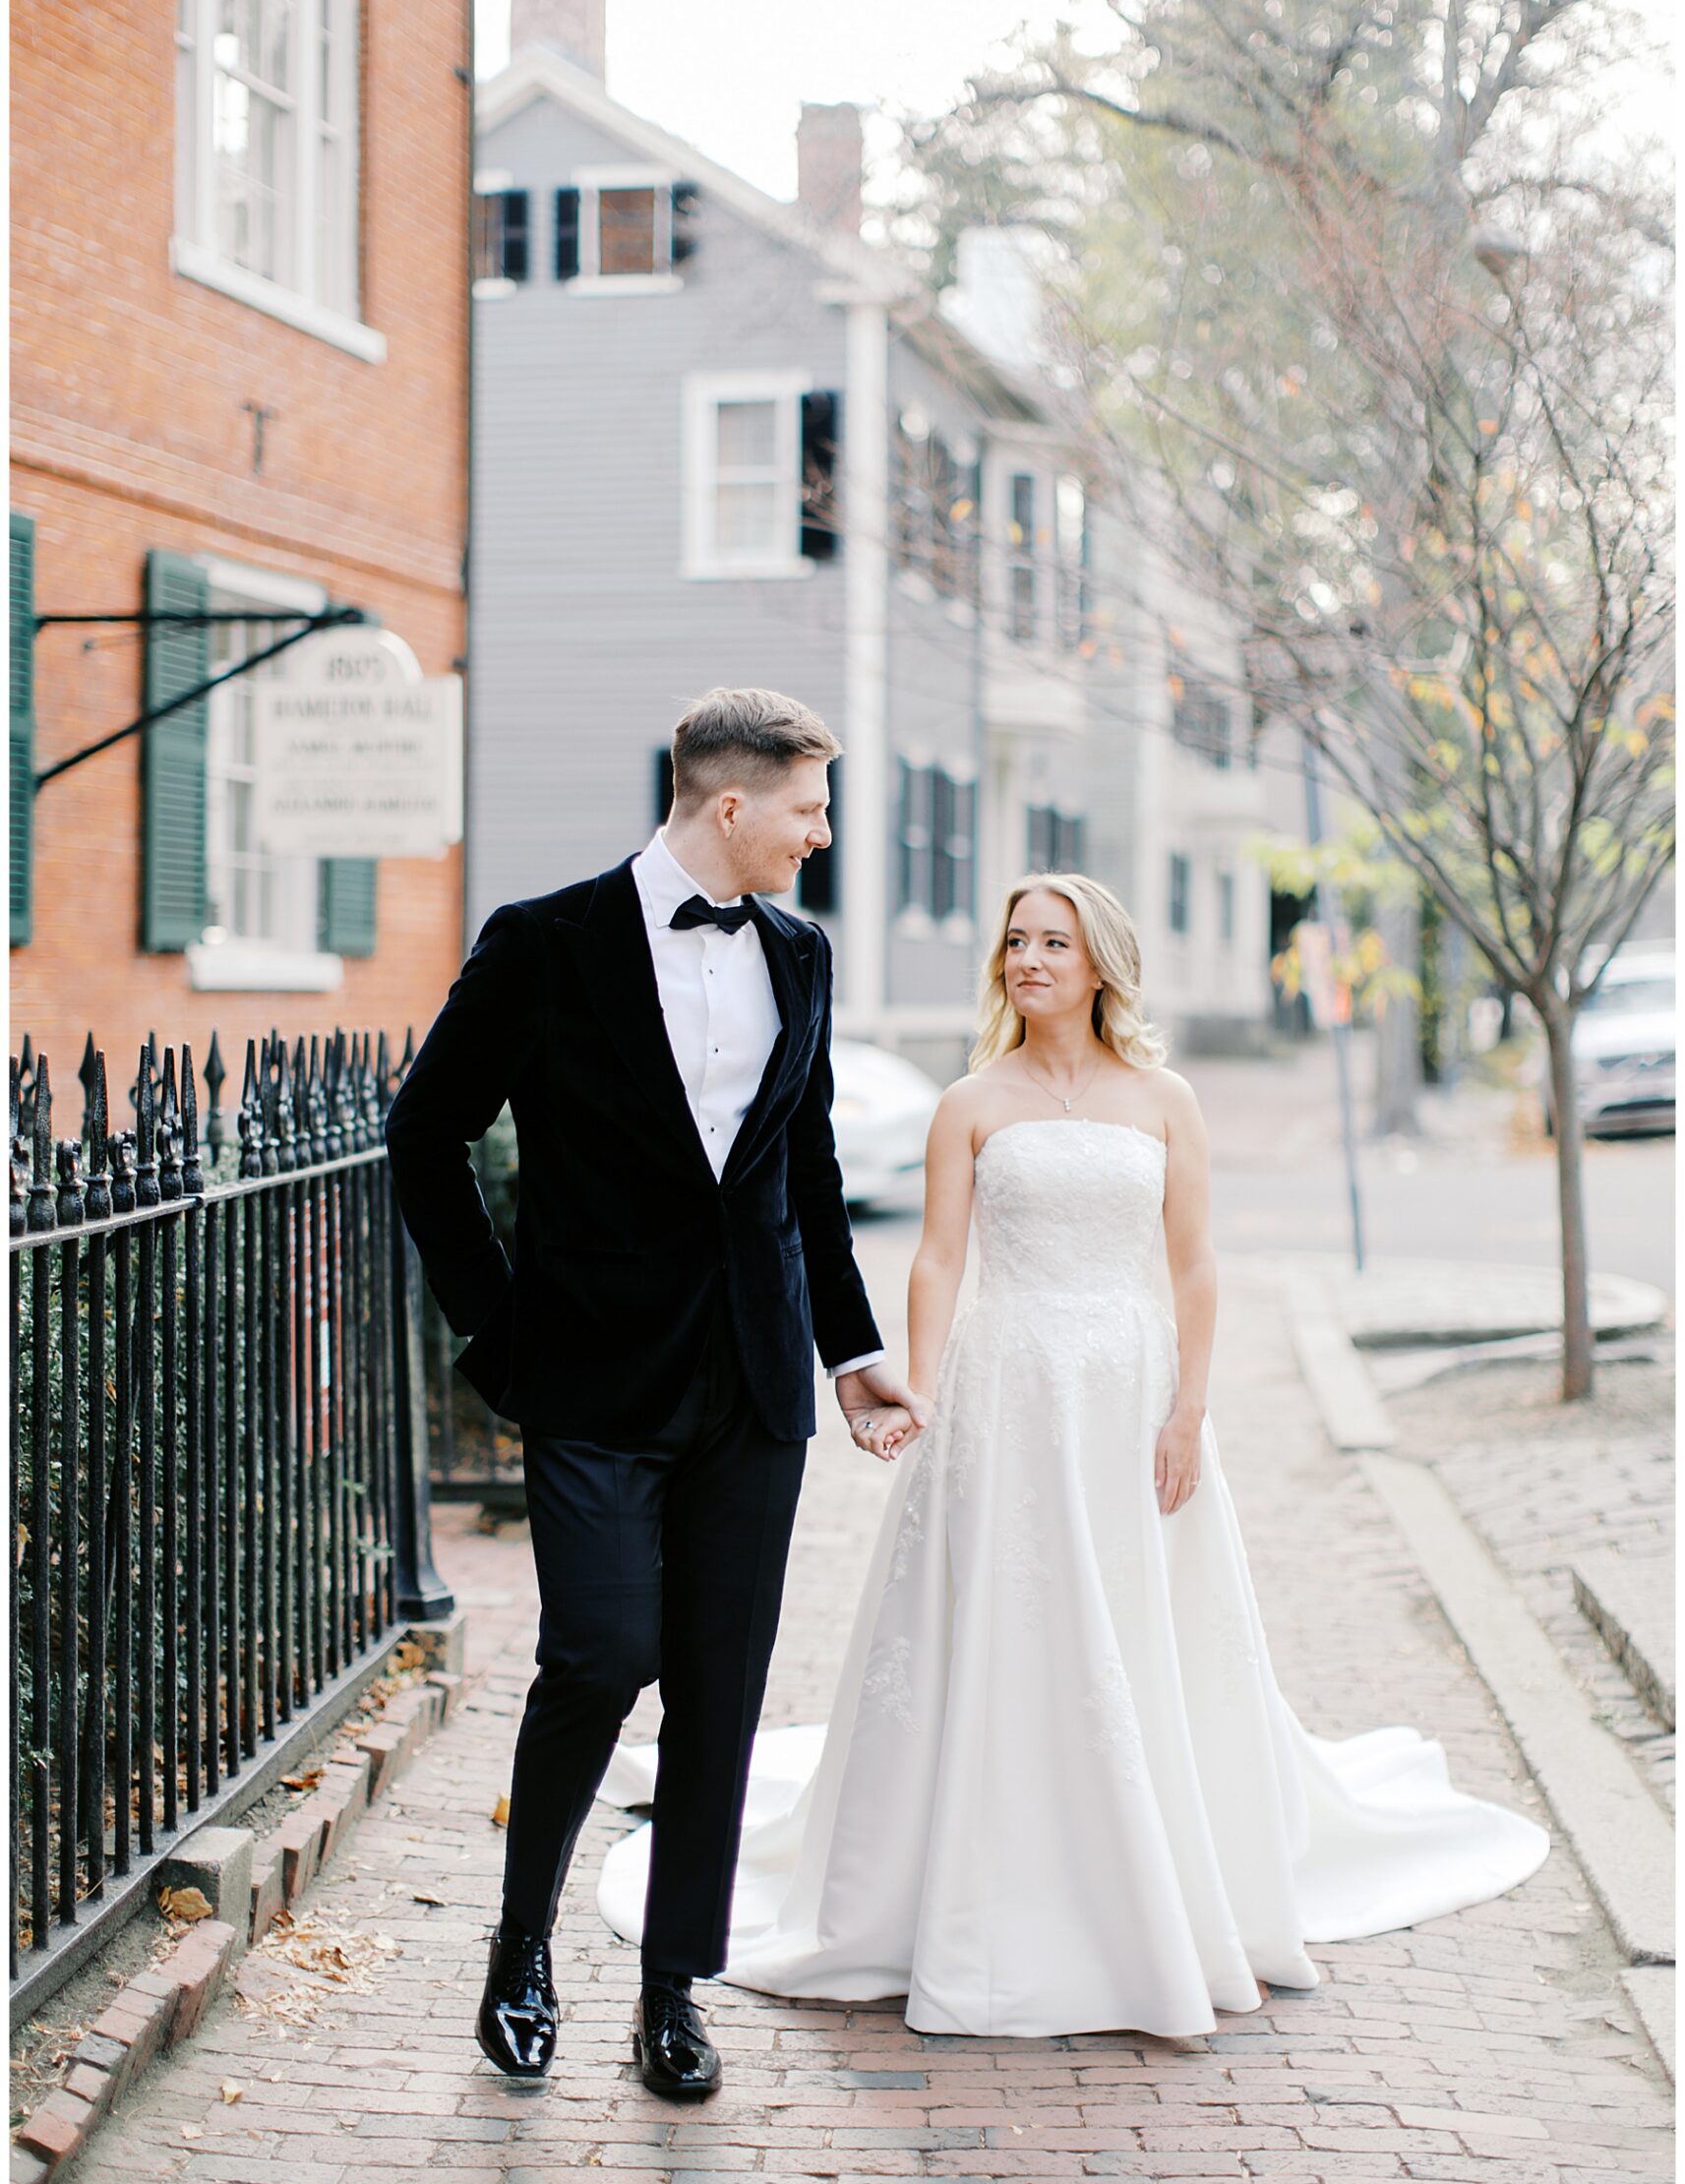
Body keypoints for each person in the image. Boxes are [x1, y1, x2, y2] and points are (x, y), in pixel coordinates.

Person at [595, 873, 1550, 2037]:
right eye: (1015, 941)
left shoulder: (1165, 1097)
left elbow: (1194, 1263)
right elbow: (939, 1259)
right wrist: (926, 1390)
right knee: (1008, 1621)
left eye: (1054, 941)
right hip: (1005, 1390)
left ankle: (1150, 1865)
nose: (1030, 959)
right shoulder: (970, 1102)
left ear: (1100, 961)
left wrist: (1189, 1409)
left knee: (1135, 1625)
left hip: (1129, 1390)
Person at [384, 687, 924, 2096]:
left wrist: (854, 1361)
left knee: (722, 1694)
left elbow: (804, 1179)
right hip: (590, 1381)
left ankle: (672, 1990)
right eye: (808, 808)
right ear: (729, 805)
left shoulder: (798, 955)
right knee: (598, 1657)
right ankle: (519, 1944)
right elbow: (424, 1137)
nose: (820, 835)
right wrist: (498, 1337)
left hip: (752, 1386)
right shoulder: (544, 942)